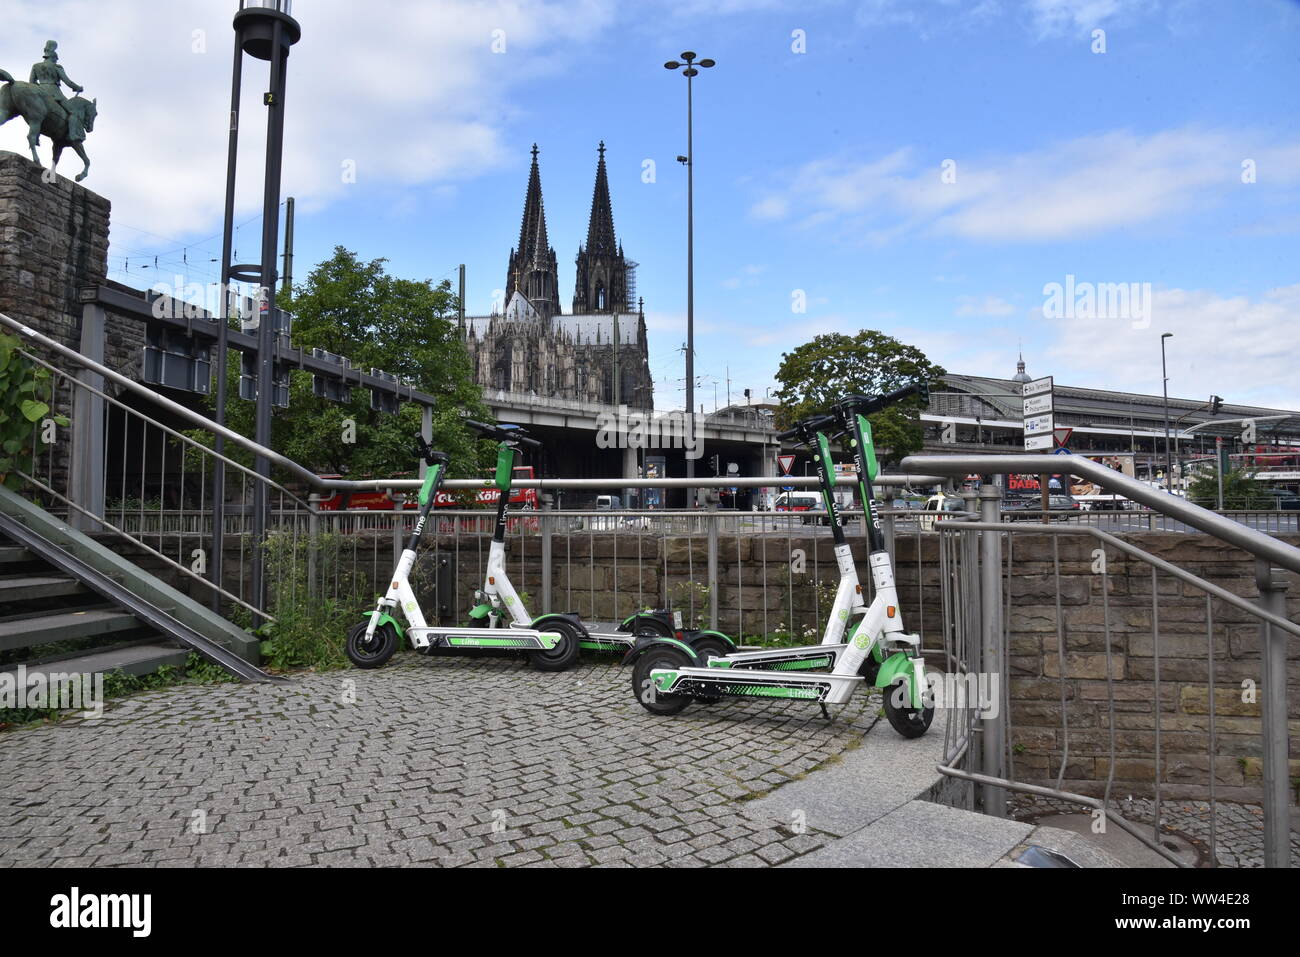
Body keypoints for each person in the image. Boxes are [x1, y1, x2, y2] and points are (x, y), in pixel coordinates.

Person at [29, 40, 85, 142]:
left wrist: (39, 88)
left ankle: (36, 135)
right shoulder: (57, 67)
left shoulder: (36, 66)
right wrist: (77, 88)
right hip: (54, 93)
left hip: (40, 91)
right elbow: (68, 82)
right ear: (53, 58)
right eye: (56, 59)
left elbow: (31, 82)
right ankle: (72, 135)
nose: (56, 61)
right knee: (73, 112)